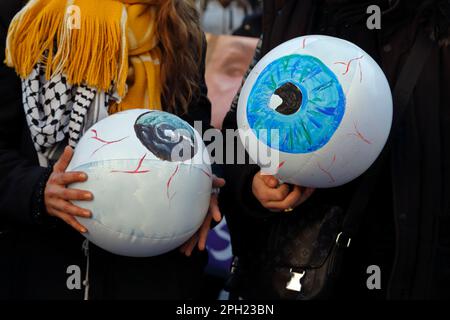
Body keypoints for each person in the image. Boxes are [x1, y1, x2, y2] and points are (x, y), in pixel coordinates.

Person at [220, 0, 450, 299]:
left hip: (409, 265)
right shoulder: (293, 12)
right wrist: (252, 181)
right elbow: (232, 134)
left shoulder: (435, 26)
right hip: (299, 271)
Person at [0, 0, 224, 299]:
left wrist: (204, 184)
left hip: (158, 269)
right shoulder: (27, 17)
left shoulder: (182, 23)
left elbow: (197, 133)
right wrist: (39, 191)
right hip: (48, 263)